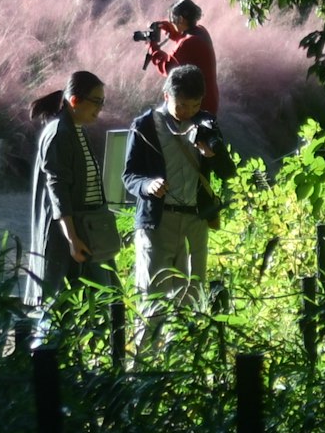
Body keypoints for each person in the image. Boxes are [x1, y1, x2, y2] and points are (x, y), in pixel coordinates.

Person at [123, 61, 235, 347]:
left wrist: (211, 153)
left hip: (195, 221)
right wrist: (148, 186)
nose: (189, 111)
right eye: (182, 105)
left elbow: (228, 171)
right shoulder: (145, 126)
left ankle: (182, 362)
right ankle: (143, 367)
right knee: (152, 295)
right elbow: (129, 176)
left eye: (195, 104)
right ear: (166, 97)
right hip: (157, 221)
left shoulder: (206, 122)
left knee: (191, 295)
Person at [25, 68, 107, 312]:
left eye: (103, 102)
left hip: (84, 231)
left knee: (94, 304)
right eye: (96, 102)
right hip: (65, 237)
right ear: (74, 101)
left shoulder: (76, 128)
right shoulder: (60, 132)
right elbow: (57, 189)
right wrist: (72, 238)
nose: (100, 108)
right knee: (58, 311)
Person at [136, 0, 219, 117]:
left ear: (181, 19)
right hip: (207, 101)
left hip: (196, 106)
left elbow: (167, 67)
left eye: (172, 20)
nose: (171, 22)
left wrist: (152, 46)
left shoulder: (187, 43)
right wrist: (171, 30)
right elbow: (185, 43)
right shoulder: (201, 31)